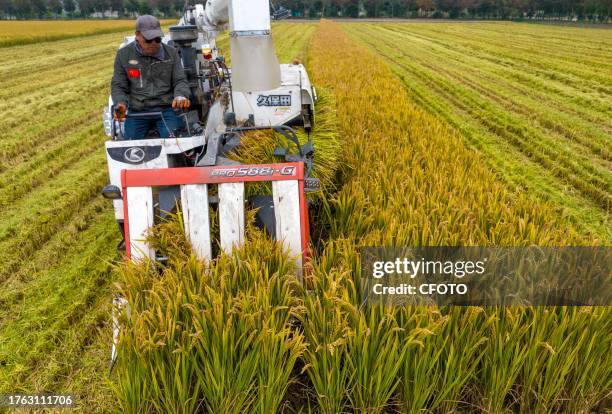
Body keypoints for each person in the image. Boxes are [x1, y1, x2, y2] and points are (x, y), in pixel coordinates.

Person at [111, 15, 191, 139]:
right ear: (137, 35)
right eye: (149, 40)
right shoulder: (124, 55)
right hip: (138, 110)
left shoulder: (171, 53)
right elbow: (119, 85)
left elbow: (180, 80)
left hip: (167, 109)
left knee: (174, 140)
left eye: (157, 39)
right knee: (131, 145)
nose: (154, 43)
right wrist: (120, 103)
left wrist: (180, 95)